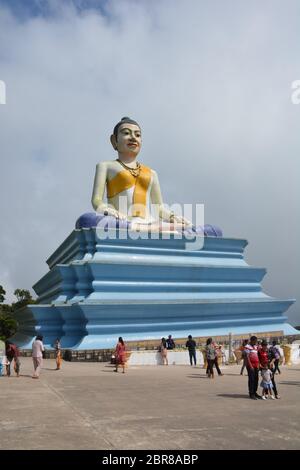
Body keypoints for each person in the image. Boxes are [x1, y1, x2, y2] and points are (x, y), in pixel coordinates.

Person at [91, 117, 191, 233]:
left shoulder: (151, 173)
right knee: (88, 220)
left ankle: (154, 229)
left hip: (149, 222)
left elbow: (158, 207)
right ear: (114, 141)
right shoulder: (106, 166)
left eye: (137, 135)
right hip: (122, 222)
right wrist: (106, 209)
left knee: (202, 230)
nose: (133, 137)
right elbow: (97, 200)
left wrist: (173, 217)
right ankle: (151, 230)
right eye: (126, 133)